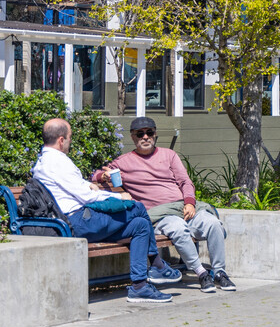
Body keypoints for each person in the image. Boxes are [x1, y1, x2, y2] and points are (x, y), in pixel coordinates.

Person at [32, 118, 178, 303]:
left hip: (77, 220)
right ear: (61, 140)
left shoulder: (45, 160)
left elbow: (73, 186)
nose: (70, 141)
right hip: (78, 222)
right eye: (70, 138)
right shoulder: (58, 162)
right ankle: (157, 263)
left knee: (140, 225)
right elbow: (88, 198)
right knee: (138, 207)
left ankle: (139, 286)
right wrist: (120, 197)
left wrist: (88, 185)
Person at [93, 117, 236, 293]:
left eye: (149, 133)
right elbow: (96, 174)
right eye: (140, 134)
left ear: (155, 134)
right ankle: (201, 273)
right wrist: (102, 177)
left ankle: (219, 272)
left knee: (213, 223)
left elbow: (185, 182)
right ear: (132, 137)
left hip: (183, 207)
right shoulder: (123, 162)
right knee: (177, 228)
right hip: (160, 216)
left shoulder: (169, 155)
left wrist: (190, 203)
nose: (145, 137)